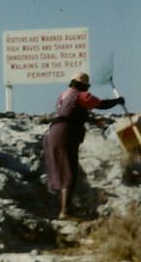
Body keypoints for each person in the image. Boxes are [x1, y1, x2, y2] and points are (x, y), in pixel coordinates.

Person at [43, 71, 124, 219]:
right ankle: (65, 211)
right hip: (65, 133)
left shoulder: (64, 95)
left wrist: (91, 120)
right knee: (70, 171)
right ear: (84, 86)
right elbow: (101, 104)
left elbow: (72, 113)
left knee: (62, 170)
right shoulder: (81, 95)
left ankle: (65, 209)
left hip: (53, 132)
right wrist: (117, 101)